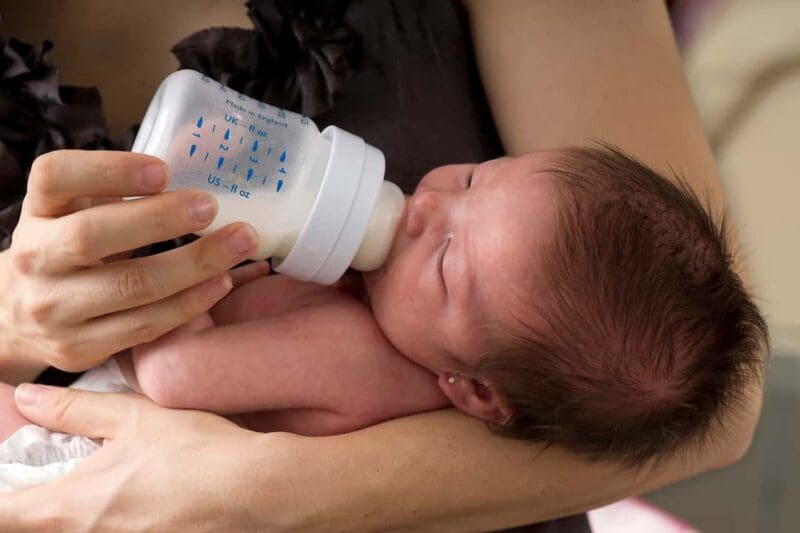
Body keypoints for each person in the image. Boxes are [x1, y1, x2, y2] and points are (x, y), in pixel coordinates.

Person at [0, 1, 766, 530]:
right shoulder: (389, 316)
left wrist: (191, 277)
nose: (428, 204)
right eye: (475, 180)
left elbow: (174, 378)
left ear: (473, 389)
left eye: (447, 261)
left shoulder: (361, 354)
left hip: (97, 462)